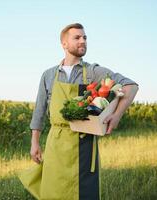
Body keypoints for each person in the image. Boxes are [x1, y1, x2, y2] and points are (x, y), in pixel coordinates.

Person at [17, 23, 139, 200]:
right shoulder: (49, 75)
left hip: (83, 144)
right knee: (53, 191)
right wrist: (34, 142)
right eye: (77, 37)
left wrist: (116, 115)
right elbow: (40, 110)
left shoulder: (93, 72)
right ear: (64, 44)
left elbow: (130, 86)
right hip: (56, 143)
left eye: (85, 37)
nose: (83, 41)